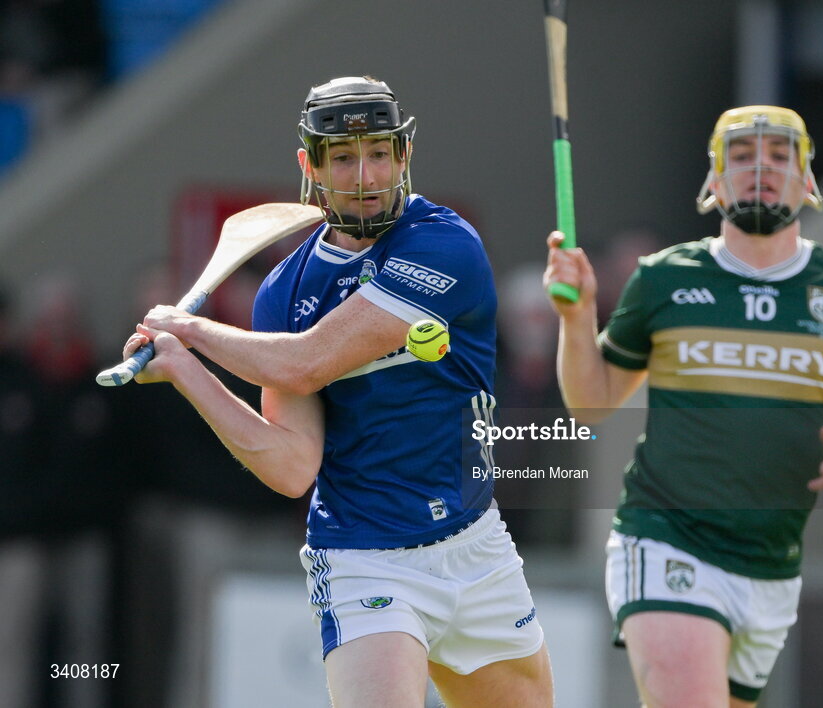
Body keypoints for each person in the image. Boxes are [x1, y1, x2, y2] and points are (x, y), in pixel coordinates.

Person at [123, 76, 553, 708]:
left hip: (476, 545)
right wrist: (188, 371)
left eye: (379, 153)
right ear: (311, 166)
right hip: (364, 559)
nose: (364, 175)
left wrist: (191, 328)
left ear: (403, 156)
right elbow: (293, 466)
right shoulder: (283, 295)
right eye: (344, 157)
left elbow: (307, 362)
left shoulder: (442, 244)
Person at [544, 105, 823, 707]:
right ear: (714, 180)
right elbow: (591, 405)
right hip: (667, 538)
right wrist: (576, 315)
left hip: (771, 566)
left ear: (808, 180)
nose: (761, 169)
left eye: (779, 157)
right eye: (742, 157)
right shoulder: (663, 279)